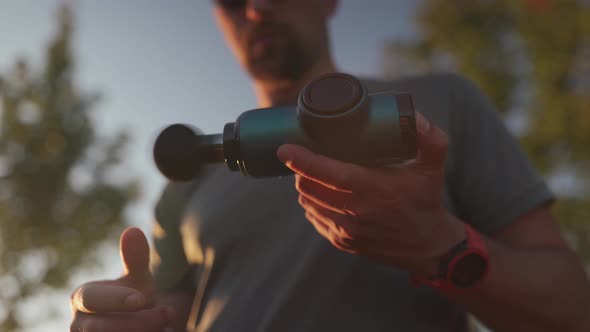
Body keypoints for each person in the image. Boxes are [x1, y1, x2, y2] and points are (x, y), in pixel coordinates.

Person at [69, 1, 590, 331]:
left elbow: (572, 310)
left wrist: (438, 246)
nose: (257, 8)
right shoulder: (193, 177)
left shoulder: (440, 105)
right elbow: (166, 317)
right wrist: (116, 319)